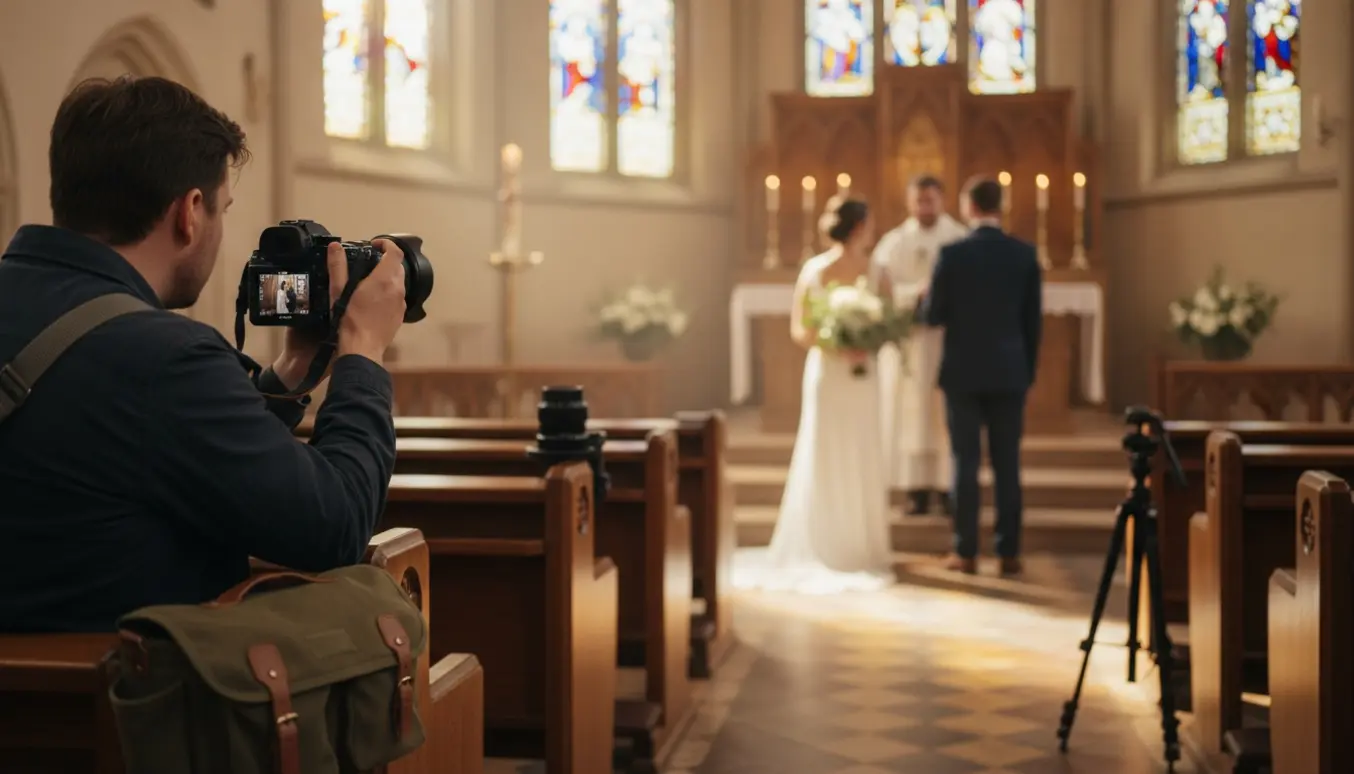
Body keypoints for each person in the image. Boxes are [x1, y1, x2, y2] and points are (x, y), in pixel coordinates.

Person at [0, 76, 408, 633]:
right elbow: (334, 527)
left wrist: (289, 373)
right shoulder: (163, 359)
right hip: (116, 712)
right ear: (190, 212)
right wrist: (363, 350)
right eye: (223, 208)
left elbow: (144, 443)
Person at [735, 198, 894, 594]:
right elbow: (799, 329)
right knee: (825, 450)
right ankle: (823, 543)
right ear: (858, 227)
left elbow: (889, 323)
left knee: (861, 450)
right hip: (829, 372)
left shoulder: (879, 271)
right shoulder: (816, 270)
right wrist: (838, 343)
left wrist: (867, 341)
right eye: (869, 224)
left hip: (863, 375)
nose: (872, 231)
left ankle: (862, 546)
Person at [918, 177, 1042, 576]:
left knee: (964, 462)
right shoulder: (1024, 255)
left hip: (963, 373)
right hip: (1010, 373)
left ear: (969, 207)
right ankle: (1009, 553)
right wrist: (1027, 373)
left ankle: (965, 551)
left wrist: (923, 299)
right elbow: (1032, 324)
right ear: (999, 206)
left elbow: (934, 316)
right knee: (1008, 464)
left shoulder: (952, 254)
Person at [872, 175, 968, 516]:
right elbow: (881, 290)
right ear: (909, 202)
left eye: (930, 201)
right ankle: (914, 489)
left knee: (942, 415)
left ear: (942, 201)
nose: (924, 207)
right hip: (909, 342)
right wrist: (917, 293)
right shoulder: (893, 243)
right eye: (919, 201)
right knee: (909, 415)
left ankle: (947, 488)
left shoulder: (958, 238)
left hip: (945, 341)